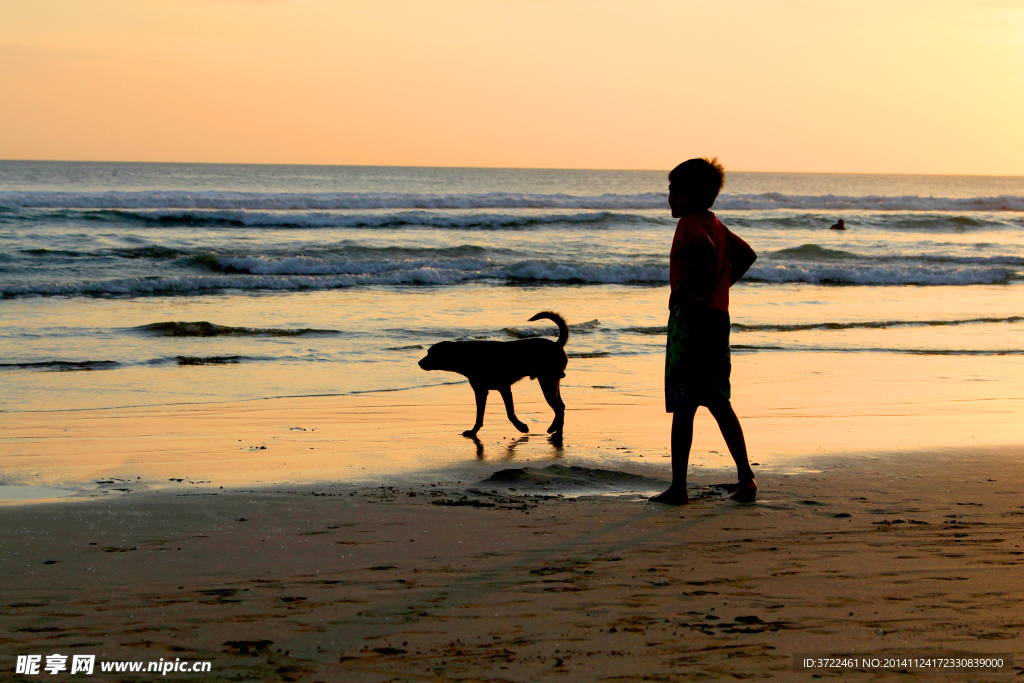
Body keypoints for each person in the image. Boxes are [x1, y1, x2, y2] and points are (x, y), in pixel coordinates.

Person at [651, 157, 757, 505]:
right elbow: (746, 256)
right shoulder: (716, 224)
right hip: (716, 320)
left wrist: (683, 288)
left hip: (691, 321)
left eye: (675, 191)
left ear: (692, 194)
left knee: (683, 403)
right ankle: (746, 478)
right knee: (717, 400)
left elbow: (704, 249)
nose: (670, 198)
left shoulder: (691, 224)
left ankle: (679, 488)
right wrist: (719, 285)